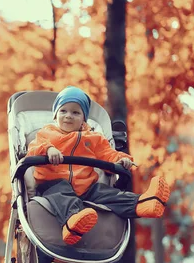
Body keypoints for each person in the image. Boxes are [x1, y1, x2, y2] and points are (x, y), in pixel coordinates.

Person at [27, 86, 171, 245]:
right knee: (63, 194)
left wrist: (120, 159)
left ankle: (143, 203)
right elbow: (33, 149)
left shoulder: (93, 138)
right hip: (52, 185)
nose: (68, 116)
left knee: (108, 193)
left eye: (76, 112)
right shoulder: (46, 134)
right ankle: (72, 222)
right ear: (55, 114)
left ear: (84, 118)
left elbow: (107, 154)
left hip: (86, 187)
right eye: (63, 111)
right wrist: (49, 149)